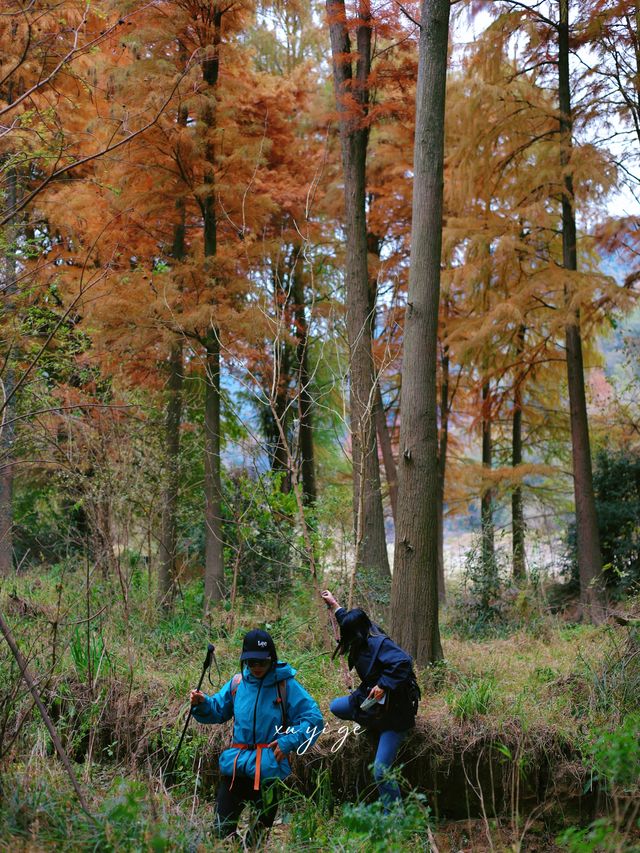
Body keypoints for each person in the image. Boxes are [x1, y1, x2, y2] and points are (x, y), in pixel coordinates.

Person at [190, 628, 323, 844]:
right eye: (251, 662)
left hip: (269, 769)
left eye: (262, 662)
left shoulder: (285, 685)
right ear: (244, 661)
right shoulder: (237, 684)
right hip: (237, 767)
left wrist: (288, 740)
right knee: (221, 833)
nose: (257, 667)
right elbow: (217, 710)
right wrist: (203, 703)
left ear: (272, 658)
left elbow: (314, 719)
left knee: (256, 840)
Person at [321, 589, 420, 808]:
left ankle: (394, 816)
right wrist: (334, 604)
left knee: (380, 770)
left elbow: (403, 662)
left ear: (354, 634)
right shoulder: (364, 630)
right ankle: (372, 723)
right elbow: (347, 619)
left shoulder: (379, 643)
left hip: (395, 715)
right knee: (336, 706)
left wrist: (384, 685)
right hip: (372, 703)